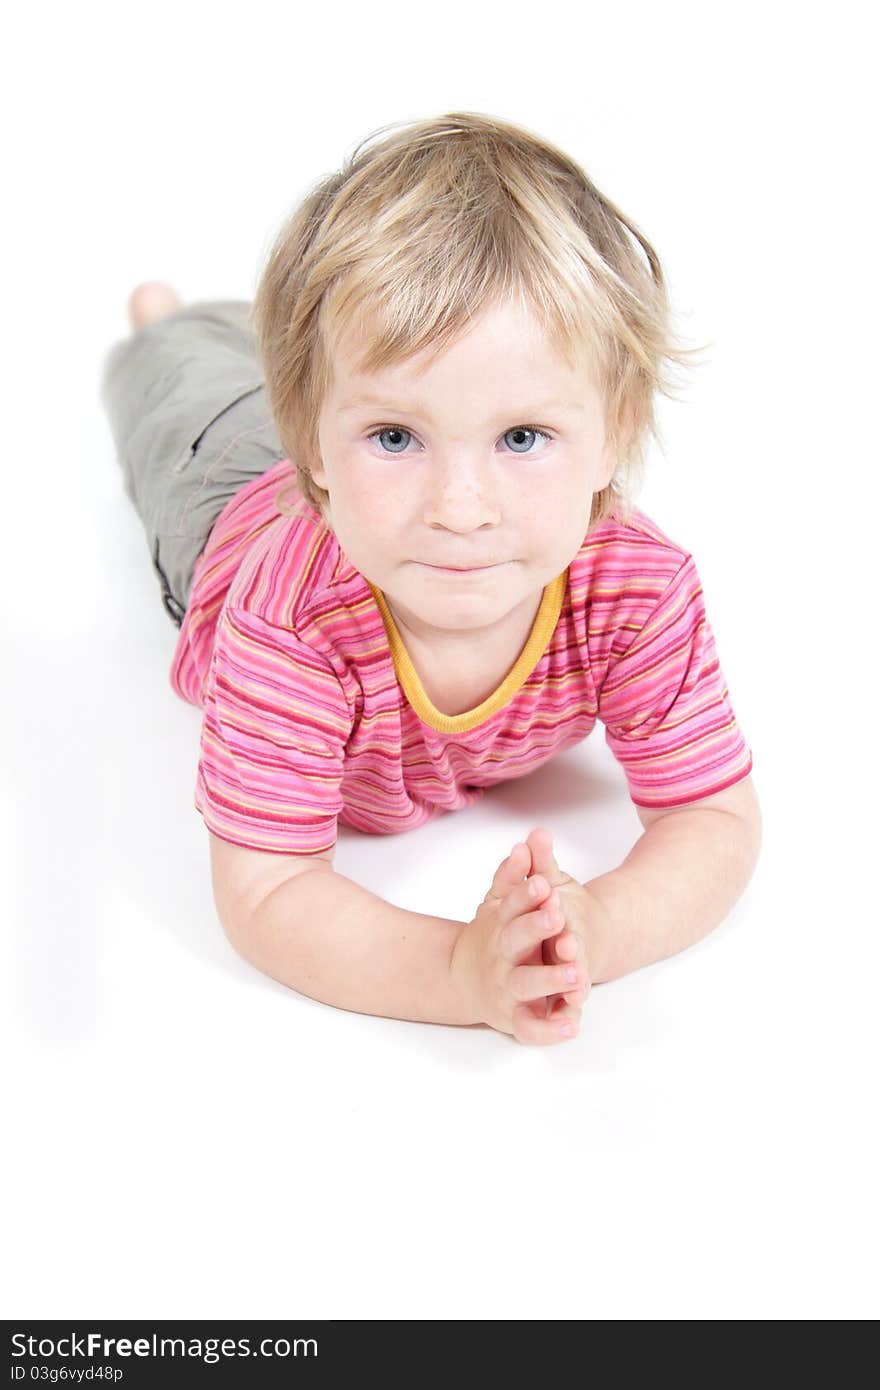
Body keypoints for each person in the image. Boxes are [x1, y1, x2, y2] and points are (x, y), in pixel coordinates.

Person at [99, 111, 761, 1047]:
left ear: (612, 433)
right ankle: (169, 323)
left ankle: (307, 366)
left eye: (522, 437)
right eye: (397, 437)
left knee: (320, 365)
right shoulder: (288, 623)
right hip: (226, 490)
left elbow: (713, 816)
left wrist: (599, 929)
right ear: (317, 445)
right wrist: (460, 970)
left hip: (317, 427)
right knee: (177, 395)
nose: (460, 508)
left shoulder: (636, 593)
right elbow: (269, 888)